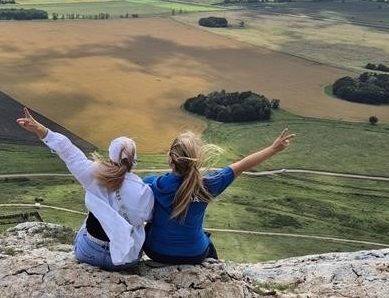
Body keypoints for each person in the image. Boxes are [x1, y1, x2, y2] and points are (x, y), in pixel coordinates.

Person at [16, 107, 153, 271]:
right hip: (126, 259)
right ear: (134, 161)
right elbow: (148, 217)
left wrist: (41, 130)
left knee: (91, 216)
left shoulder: (93, 173)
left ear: (110, 156)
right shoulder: (144, 191)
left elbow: (69, 152)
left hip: (89, 253)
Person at [142, 128, 295, 264]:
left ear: (170, 158)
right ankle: (216, 269)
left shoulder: (153, 184)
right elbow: (243, 165)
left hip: (157, 252)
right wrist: (274, 149)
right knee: (205, 238)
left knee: (147, 227)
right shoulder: (208, 185)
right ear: (198, 159)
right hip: (194, 254)